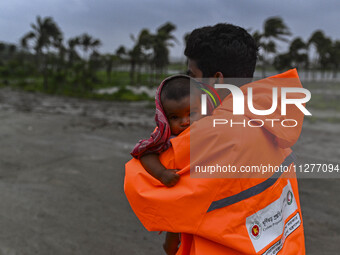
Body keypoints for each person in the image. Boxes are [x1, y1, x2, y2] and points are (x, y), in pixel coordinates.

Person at [125, 23, 306, 255]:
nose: (191, 87)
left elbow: (140, 181)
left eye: (193, 78)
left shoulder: (212, 136)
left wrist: (160, 136)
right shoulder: (273, 118)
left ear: (217, 80)